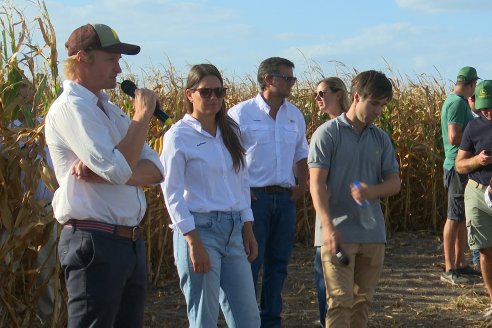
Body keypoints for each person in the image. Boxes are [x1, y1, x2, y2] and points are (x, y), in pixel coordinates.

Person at [45, 23, 164, 327]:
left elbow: (157, 170)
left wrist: (110, 172)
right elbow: (120, 167)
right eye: (111, 59)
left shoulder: (110, 111)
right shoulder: (72, 108)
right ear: (83, 58)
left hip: (128, 243)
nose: (119, 68)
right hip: (94, 242)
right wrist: (141, 118)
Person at [160, 64, 260, 327]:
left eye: (219, 91)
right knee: (204, 319)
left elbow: (241, 184)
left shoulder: (231, 131)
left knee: (248, 319)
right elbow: (171, 193)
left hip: (234, 229)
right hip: (200, 230)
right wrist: (192, 241)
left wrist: (247, 227)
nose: (214, 97)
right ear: (189, 95)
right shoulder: (178, 136)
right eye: (206, 92)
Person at [309, 70, 401, 327]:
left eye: (383, 105)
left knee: (362, 302)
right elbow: (315, 185)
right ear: (357, 96)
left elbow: (394, 183)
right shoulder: (327, 134)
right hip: (336, 235)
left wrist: (371, 191)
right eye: (374, 103)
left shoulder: (380, 139)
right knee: (339, 302)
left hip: (372, 236)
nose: (378, 111)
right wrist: (328, 228)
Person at [228, 57, 309, 327]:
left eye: (292, 79)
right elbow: (229, 158)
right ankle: (248, 319)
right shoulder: (240, 114)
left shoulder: (294, 114)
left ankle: (271, 319)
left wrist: (302, 185)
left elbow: (301, 153)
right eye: (287, 78)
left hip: (285, 198)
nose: (291, 84)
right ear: (269, 80)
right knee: (251, 262)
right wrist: (241, 192)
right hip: (253, 199)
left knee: (278, 263)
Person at [312, 77, 349, 327]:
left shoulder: (353, 130)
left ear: (339, 94)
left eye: (322, 93)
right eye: (315, 95)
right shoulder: (326, 131)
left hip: (346, 220)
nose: (317, 99)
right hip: (327, 217)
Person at [440, 66, 481, 285]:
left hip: (461, 166)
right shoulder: (456, 103)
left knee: (462, 217)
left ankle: (460, 264)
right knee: (454, 217)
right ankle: (449, 268)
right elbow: (454, 136)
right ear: (472, 84)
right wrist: (476, 139)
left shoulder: (458, 102)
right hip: (457, 166)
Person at [455, 80, 492, 320]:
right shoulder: (473, 128)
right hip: (478, 194)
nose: (488, 111)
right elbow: (460, 164)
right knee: (486, 251)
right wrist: (477, 161)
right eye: (484, 107)